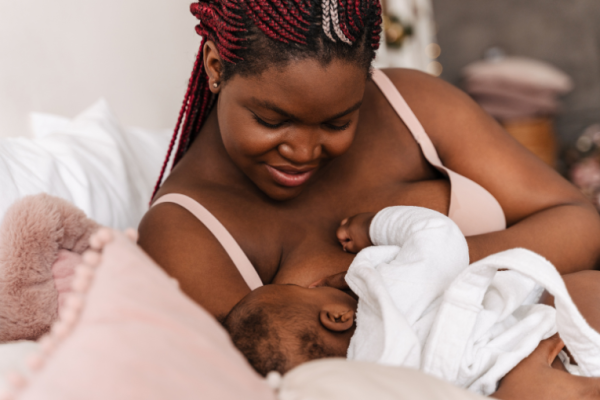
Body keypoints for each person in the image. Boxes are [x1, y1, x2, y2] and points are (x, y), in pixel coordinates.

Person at [137, 0, 600, 397]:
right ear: (217, 67)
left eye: (338, 123)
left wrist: (434, 265)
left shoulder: (413, 104)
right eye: (272, 120)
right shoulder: (187, 234)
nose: (303, 152)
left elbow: (578, 220)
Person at [223, 206, 600, 396]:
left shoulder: (370, 390)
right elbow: (439, 236)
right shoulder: (389, 302)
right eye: (307, 290)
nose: (317, 283)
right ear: (336, 316)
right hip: (538, 350)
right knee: (586, 290)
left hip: (507, 383)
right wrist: (372, 226)